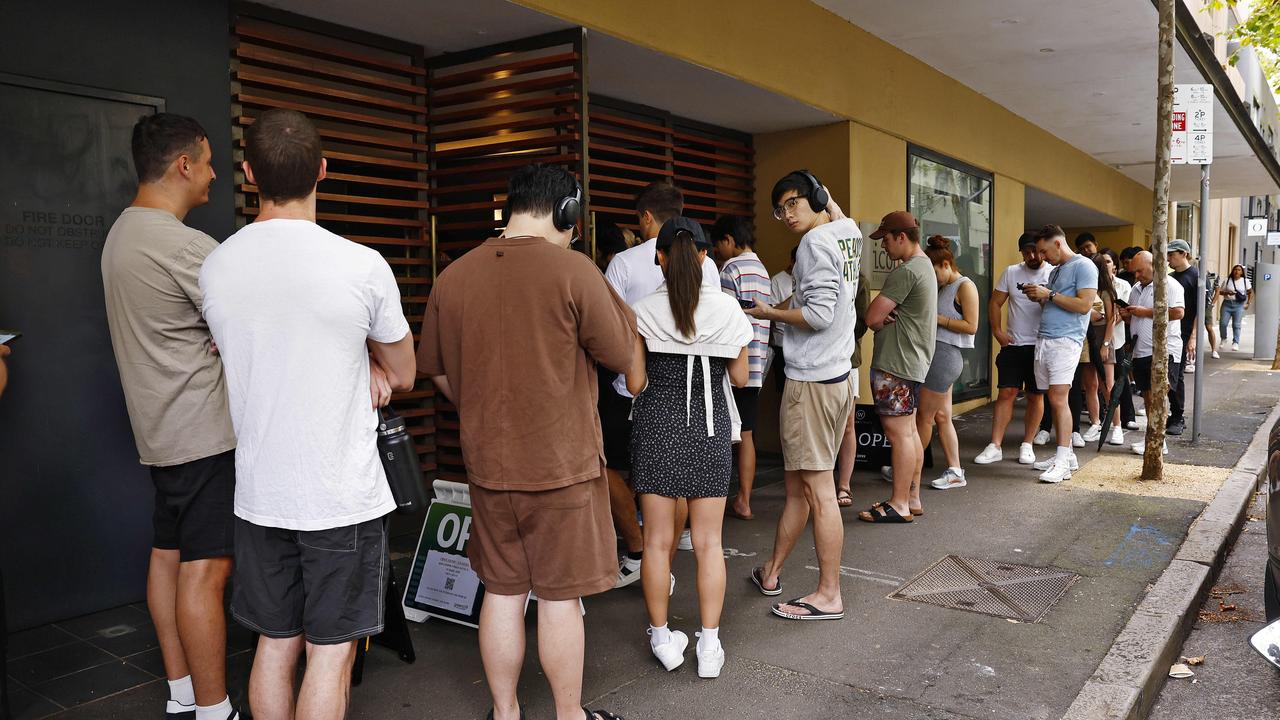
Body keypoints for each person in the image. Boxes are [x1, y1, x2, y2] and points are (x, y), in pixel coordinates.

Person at [200, 109, 417, 720]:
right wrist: (369, 369)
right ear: (323, 171)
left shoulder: (217, 266)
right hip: (338, 494)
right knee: (330, 654)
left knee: (274, 644)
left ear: (248, 175)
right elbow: (403, 372)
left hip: (261, 492)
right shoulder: (361, 265)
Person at [418, 163, 636, 720]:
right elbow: (620, 354)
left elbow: (438, 371)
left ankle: (506, 712)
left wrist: (481, 408)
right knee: (561, 599)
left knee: (502, 592)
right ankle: (568, 716)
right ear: (567, 212)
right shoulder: (574, 270)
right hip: (564, 466)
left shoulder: (454, 276)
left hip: (489, 467)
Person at [100, 113, 239, 720]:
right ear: (184, 164)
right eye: (208, 161)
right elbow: (250, 326)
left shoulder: (122, 235)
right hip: (203, 433)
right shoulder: (185, 246)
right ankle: (214, 709)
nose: (213, 174)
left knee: (168, 555)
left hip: (158, 434)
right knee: (206, 572)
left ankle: (183, 691)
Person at [626, 217, 752, 677]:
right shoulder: (728, 310)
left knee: (658, 543)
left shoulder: (640, 311)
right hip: (709, 428)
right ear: (704, 257)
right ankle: (710, 647)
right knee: (708, 543)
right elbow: (739, 379)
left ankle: (663, 640)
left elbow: (636, 382)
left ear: (659, 257)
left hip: (657, 427)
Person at [746, 170, 859, 620]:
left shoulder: (813, 245)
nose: (787, 214)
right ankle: (771, 571)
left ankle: (829, 594)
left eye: (793, 203)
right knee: (798, 488)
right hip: (838, 375)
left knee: (818, 490)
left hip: (812, 380)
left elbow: (817, 315)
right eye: (780, 208)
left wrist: (768, 311)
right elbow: (838, 213)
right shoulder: (845, 230)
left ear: (812, 198)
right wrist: (826, 199)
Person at [604, 181, 719, 588]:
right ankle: (663, 568)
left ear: (647, 219)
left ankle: (640, 554)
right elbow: (721, 341)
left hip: (636, 396)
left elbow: (611, 328)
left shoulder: (622, 264)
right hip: (702, 402)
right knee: (685, 493)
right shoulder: (711, 270)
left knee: (609, 470)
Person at [859, 211, 936, 520]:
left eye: (886, 240)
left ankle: (899, 503)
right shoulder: (926, 266)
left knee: (899, 435)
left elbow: (871, 317)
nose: (884, 247)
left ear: (901, 237)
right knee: (910, 432)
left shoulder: (906, 271)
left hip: (896, 364)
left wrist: (880, 320)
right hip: (912, 362)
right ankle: (912, 498)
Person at [1021, 224, 1098, 484]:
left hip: (1066, 341)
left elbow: (1085, 305)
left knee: (1057, 398)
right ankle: (1068, 456)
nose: (1041, 257)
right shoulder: (1056, 271)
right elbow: (1057, 301)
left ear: (1057, 244)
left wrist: (1049, 294)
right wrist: (1040, 297)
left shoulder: (1084, 265)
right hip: (1046, 339)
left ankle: (1063, 462)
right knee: (1052, 398)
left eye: (1043, 251)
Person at [710, 215, 771, 521]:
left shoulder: (730, 270)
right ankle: (744, 500)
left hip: (734, 365)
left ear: (730, 240)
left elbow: (725, 322)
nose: (718, 251)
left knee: (723, 434)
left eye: (719, 243)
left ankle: (715, 502)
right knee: (747, 433)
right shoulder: (762, 270)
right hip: (757, 364)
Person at [975, 232, 1051, 466]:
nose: (1032, 256)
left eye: (1036, 251)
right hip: (1014, 343)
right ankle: (995, 445)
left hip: (1040, 344)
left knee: (1035, 395)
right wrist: (997, 331)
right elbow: (995, 302)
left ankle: (1027, 444)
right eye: (1026, 252)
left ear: (1043, 249)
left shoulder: (1053, 272)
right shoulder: (1011, 272)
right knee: (1006, 392)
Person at [919, 236, 977, 489]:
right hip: (939, 356)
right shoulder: (942, 287)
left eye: (935, 272)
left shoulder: (965, 286)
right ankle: (955, 471)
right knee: (942, 416)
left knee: (924, 416)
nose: (934, 278)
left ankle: (906, 466)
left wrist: (938, 319)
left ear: (945, 264)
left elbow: (971, 326)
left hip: (945, 356)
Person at [1120, 251, 1184, 456]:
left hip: (1163, 350)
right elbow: (1135, 319)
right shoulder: (1136, 289)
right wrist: (1127, 316)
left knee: (1159, 396)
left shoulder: (1169, 285)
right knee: (1148, 396)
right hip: (1141, 350)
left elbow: (1177, 312)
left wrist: (1143, 312)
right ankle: (1153, 437)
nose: (1136, 275)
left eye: (1139, 270)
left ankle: (1159, 440)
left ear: (1153, 265)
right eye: (1134, 271)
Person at [834, 263, 871, 508]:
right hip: (816, 360)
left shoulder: (859, 278)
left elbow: (863, 322)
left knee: (847, 424)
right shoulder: (814, 269)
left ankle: (844, 484)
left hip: (847, 357)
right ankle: (822, 483)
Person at [1079, 256, 1120, 444]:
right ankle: (1095, 422)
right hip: (1087, 339)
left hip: (1103, 338)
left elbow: (1111, 320)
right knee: (1090, 385)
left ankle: (1116, 426)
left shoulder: (1106, 292)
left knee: (1108, 386)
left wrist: (1105, 344)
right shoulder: (1087, 290)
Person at [1097, 250, 1131, 445]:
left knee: (1114, 385)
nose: (1105, 264)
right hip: (1094, 340)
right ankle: (1100, 423)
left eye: (1108, 261)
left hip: (1114, 341)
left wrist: (1106, 341)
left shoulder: (1121, 286)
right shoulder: (1093, 286)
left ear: (1114, 265)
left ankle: (1117, 426)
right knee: (1096, 386)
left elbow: (1119, 314)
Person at [1166, 239, 1198, 435]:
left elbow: (1201, 310)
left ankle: (1178, 416)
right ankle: (1172, 414)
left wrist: (1193, 337)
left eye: (1172, 254)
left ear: (1183, 254)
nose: (1169, 258)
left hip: (1184, 333)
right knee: (1168, 374)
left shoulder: (1195, 276)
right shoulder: (1170, 277)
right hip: (1169, 331)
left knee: (1176, 376)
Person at [768, 246, 798, 390]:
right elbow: (771, 312)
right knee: (783, 390)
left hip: (802, 343)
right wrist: (796, 298)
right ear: (792, 262)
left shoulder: (809, 279)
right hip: (781, 344)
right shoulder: (778, 280)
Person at [1218, 264, 1253, 352]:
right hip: (1227, 304)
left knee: (1236, 325)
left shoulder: (1245, 281)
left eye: (1239, 270)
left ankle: (1235, 342)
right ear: (1232, 271)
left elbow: (1250, 292)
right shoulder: (1227, 280)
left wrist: (1248, 303)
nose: (1237, 271)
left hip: (1239, 305)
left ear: (1242, 272)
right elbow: (1220, 292)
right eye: (1235, 269)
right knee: (1223, 323)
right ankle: (1223, 338)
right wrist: (1227, 292)